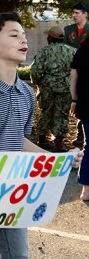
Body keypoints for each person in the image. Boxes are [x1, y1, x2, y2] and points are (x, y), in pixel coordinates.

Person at [0, 12, 82, 259]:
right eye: (14, 35)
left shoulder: (26, 93)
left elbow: (20, 141)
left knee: (19, 255)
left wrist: (60, 160)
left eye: (24, 35)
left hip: (14, 193)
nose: (23, 40)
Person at [30, 25, 75, 152]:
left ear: (50, 38)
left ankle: (43, 140)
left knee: (46, 112)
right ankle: (59, 143)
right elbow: (76, 71)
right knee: (62, 114)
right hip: (66, 88)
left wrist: (39, 83)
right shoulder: (71, 51)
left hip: (47, 87)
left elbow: (36, 71)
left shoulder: (44, 51)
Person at [64, 1, 89, 148]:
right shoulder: (68, 30)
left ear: (85, 14)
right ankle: (62, 136)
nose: (74, 16)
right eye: (73, 12)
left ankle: (81, 136)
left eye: (77, 12)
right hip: (70, 70)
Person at [70, 34, 89, 201]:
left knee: (88, 145)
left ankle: (86, 190)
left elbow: (73, 78)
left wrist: (74, 100)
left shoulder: (81, 52)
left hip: (86, 105)